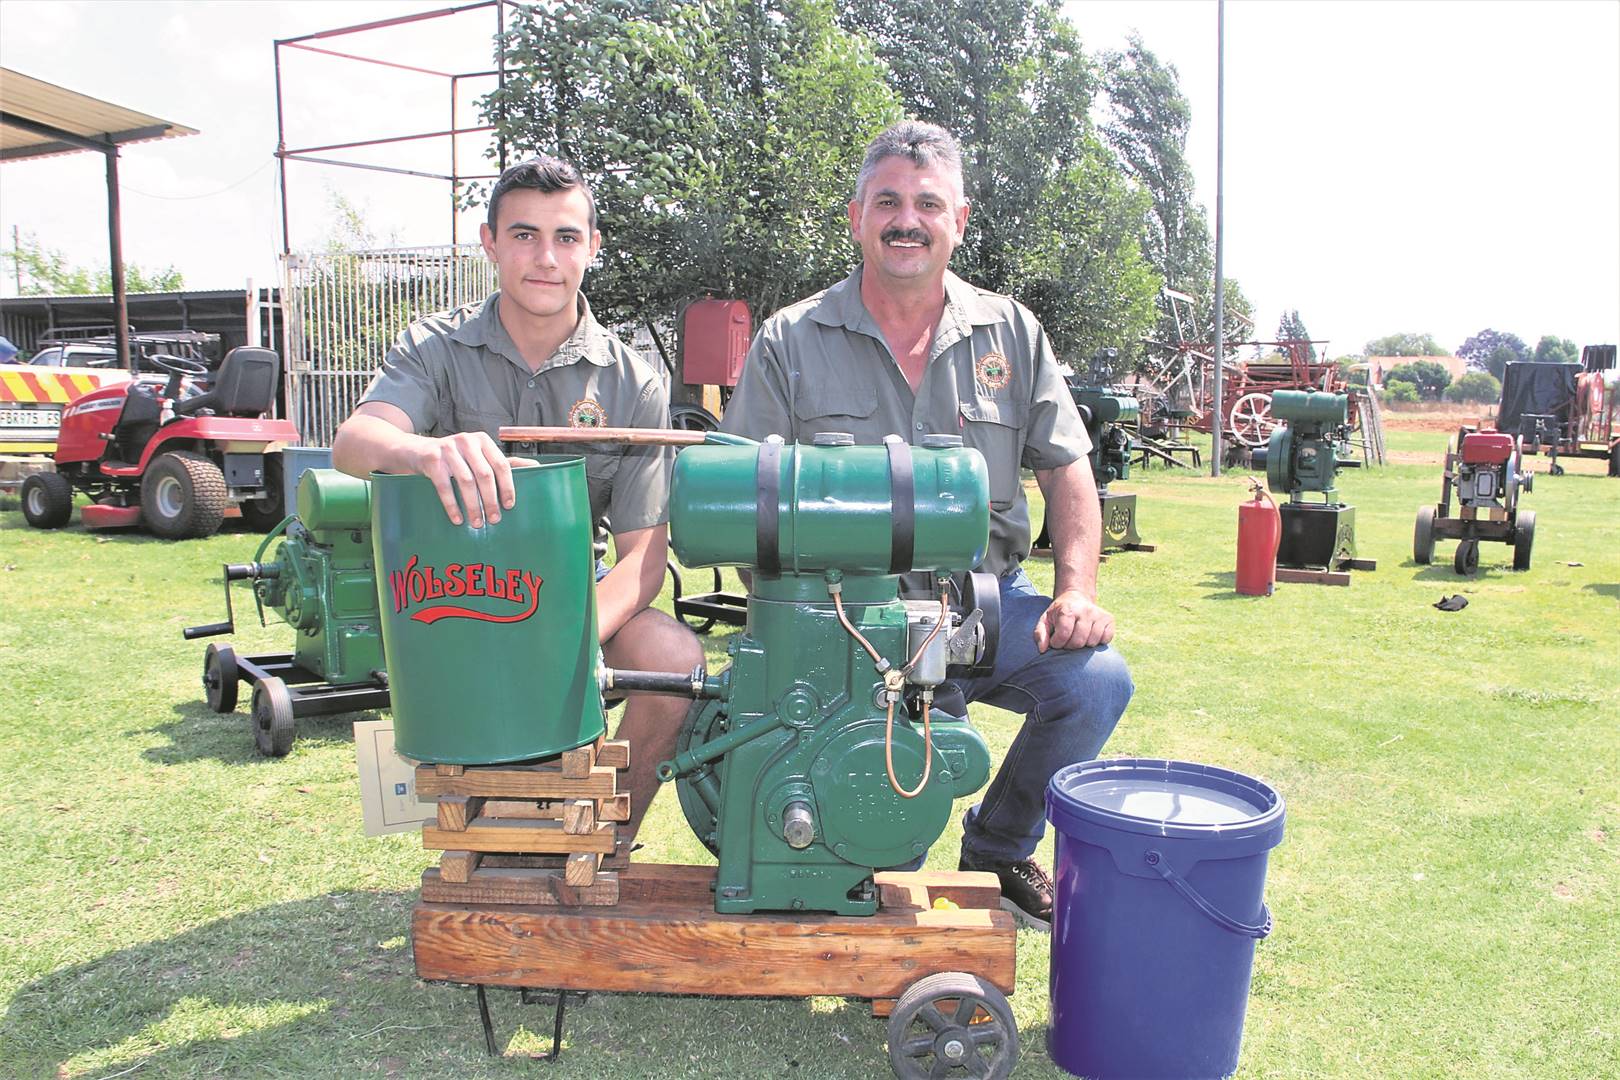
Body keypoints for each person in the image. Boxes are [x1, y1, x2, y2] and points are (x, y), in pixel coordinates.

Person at [720, 121, 1133, 928]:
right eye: (888, 203)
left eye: (928, 204)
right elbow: (743, 493)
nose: (906, 220)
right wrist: (811, 621)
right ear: (856, 218)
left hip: (986, 605)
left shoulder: (1012, 333)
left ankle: (1000, 848)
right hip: (853, 619)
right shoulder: (791, 340)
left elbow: (1067, 468)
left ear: (959, 220)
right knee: (878, 861)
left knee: (1095, 682)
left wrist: (1076, 591)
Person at [332, 155, 703, 843]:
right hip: (459, 597)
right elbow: (354, 441)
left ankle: (606, 840)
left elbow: (644, 560)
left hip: (575, 603)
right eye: (524, 235)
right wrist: (423, 452)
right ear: (490, 243)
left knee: (673, 659)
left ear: (592, 247)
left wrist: (563, 641)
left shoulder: (634, 382)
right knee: (494, 825)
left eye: (566, 237)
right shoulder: (435, 348)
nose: (546, 258)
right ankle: (497, 835)